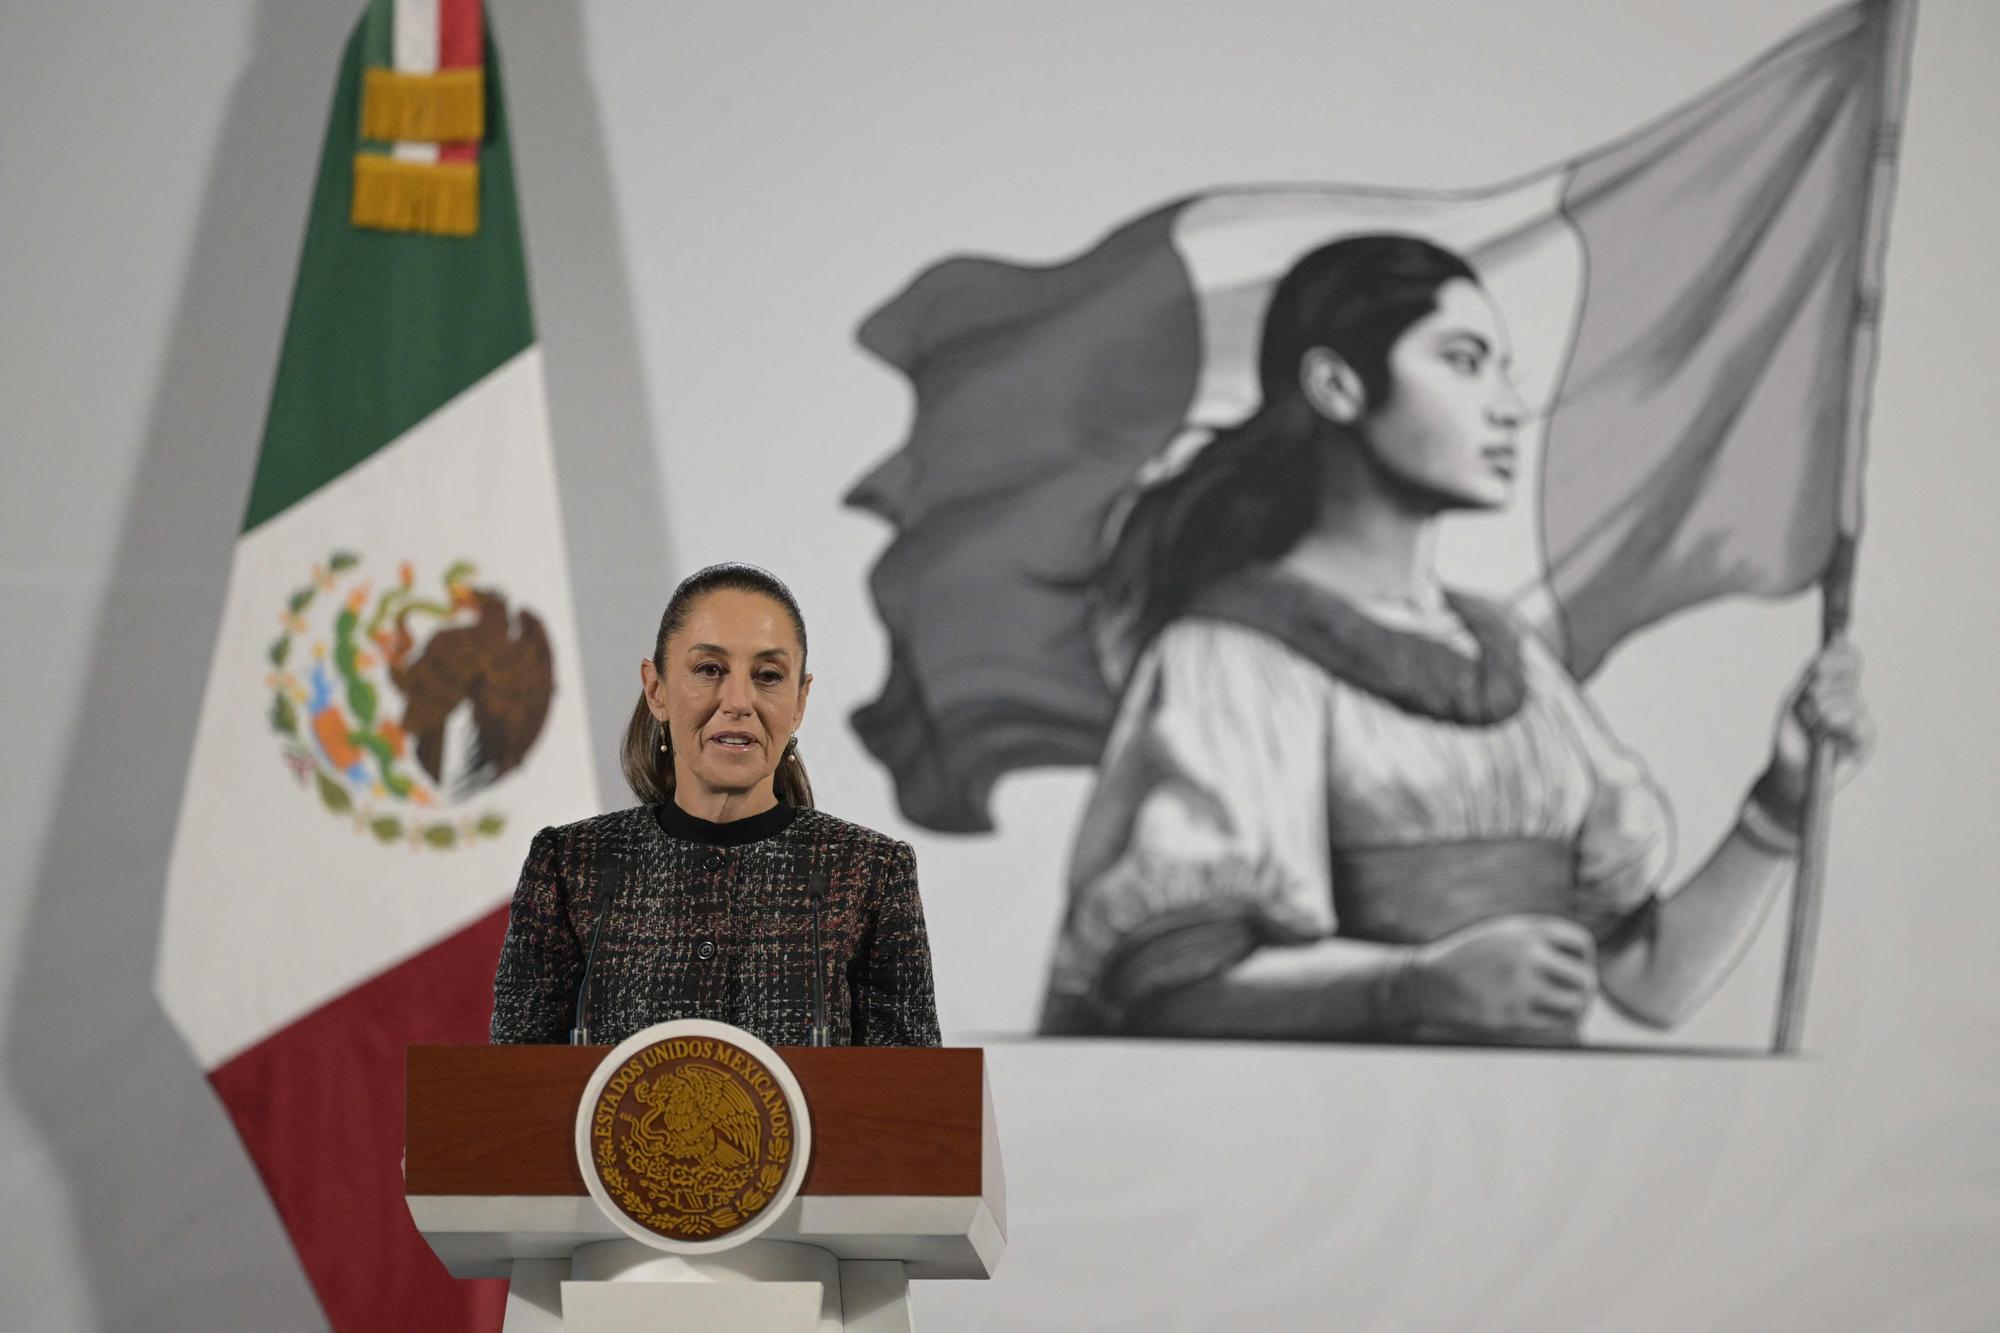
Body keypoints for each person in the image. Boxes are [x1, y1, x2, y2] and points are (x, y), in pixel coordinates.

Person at [1038, 234, 1871, 1043]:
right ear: (1337, 384)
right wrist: (1413, 984)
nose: (1509, 405)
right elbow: (1172, 990)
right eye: (1464, 361)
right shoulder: (1230, 655)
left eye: (1503, 369)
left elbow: (1649, 983)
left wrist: (1783, 800)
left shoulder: (1512, 657)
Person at [491, 562, 941, 1048]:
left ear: (800, 701)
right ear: (655, 688)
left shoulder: (869, 872)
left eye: (768, 675)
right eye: (709, 670)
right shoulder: (570, 865)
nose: (738, 701)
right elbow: (513, 1094)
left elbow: (910, 1100)